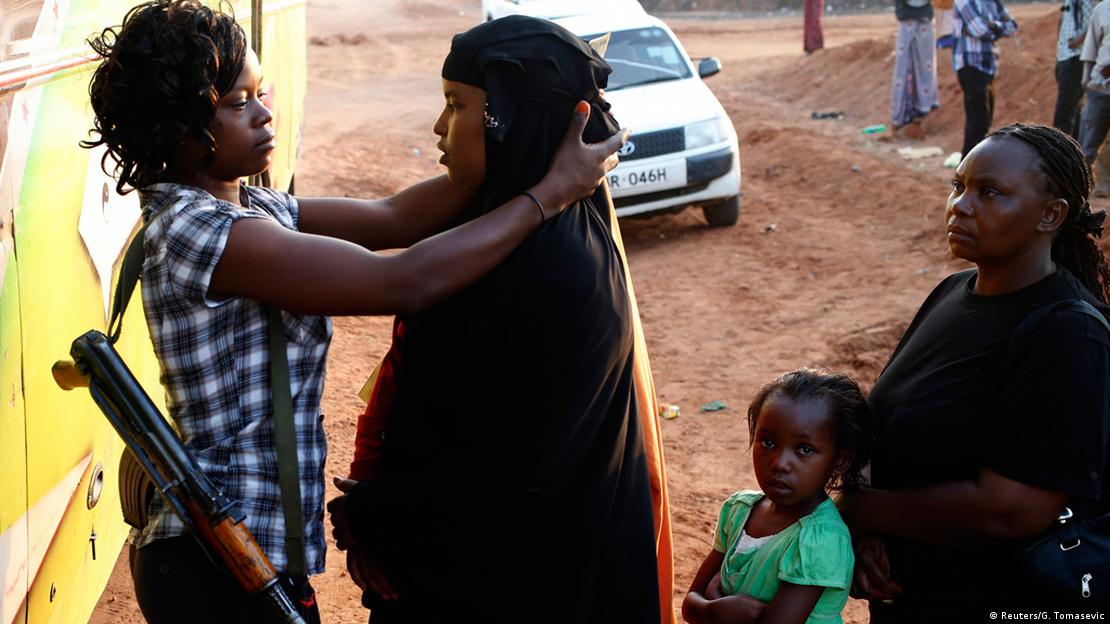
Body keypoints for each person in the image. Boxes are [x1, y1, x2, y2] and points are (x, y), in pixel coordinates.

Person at [81, 2, 625, 622]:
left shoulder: (250, 210)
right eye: (237, 104)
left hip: (248, 552)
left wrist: (513, 149)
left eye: (261, 93)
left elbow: (393, 218)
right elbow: (401, 279)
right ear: (176, 129)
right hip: (215, 559)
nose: (264, 113)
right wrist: (549, 193)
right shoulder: (200, 232)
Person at [327, 16, 662, 624]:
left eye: (455, 104)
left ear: (513, 121)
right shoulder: (504, 226)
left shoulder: (551, 266)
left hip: (510, 583)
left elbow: (509, 466)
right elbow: (393, 218)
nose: (438, 126)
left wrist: (382, 516)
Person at [839, 124, 1110, 621]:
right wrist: (867, 530)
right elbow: (887, 427)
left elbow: (1011, 509)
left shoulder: (1068, 334)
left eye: (990, 193)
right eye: (958, 185)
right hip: (911, 593)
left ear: (1051, 215)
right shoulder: (951, 293)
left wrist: (861, 511)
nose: (960, 205)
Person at [682, 369, 874, 624]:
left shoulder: (820, 540)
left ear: (840, 460)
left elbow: (700, 600)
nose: (780, 463)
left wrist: (712, 601)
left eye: (804, 449)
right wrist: (712, 611)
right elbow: (689, 604)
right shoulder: (739, 509)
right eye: (768, 442)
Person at [951, 0, 1017, 159]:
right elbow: (979, 29)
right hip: (970, 65)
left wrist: (992, 25)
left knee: (984, 122)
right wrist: (998, 27)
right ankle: (966, 171)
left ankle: (974, 169)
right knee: (978, 122)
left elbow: (1013, 27)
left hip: (989, 67)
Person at [892, 0, 939, 137]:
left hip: (923, 17)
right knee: (905, 66)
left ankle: (921, 113)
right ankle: (904, 118)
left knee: (925, 66)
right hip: (908, 15)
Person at [1053, 0, 1094, 138]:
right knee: (1073, 112)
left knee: (1064, 113)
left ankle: (1058, 153)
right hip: (1064, 56)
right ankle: (1073, 153)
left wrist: (1075, 42)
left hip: (1076, 57)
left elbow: (1094, 25)